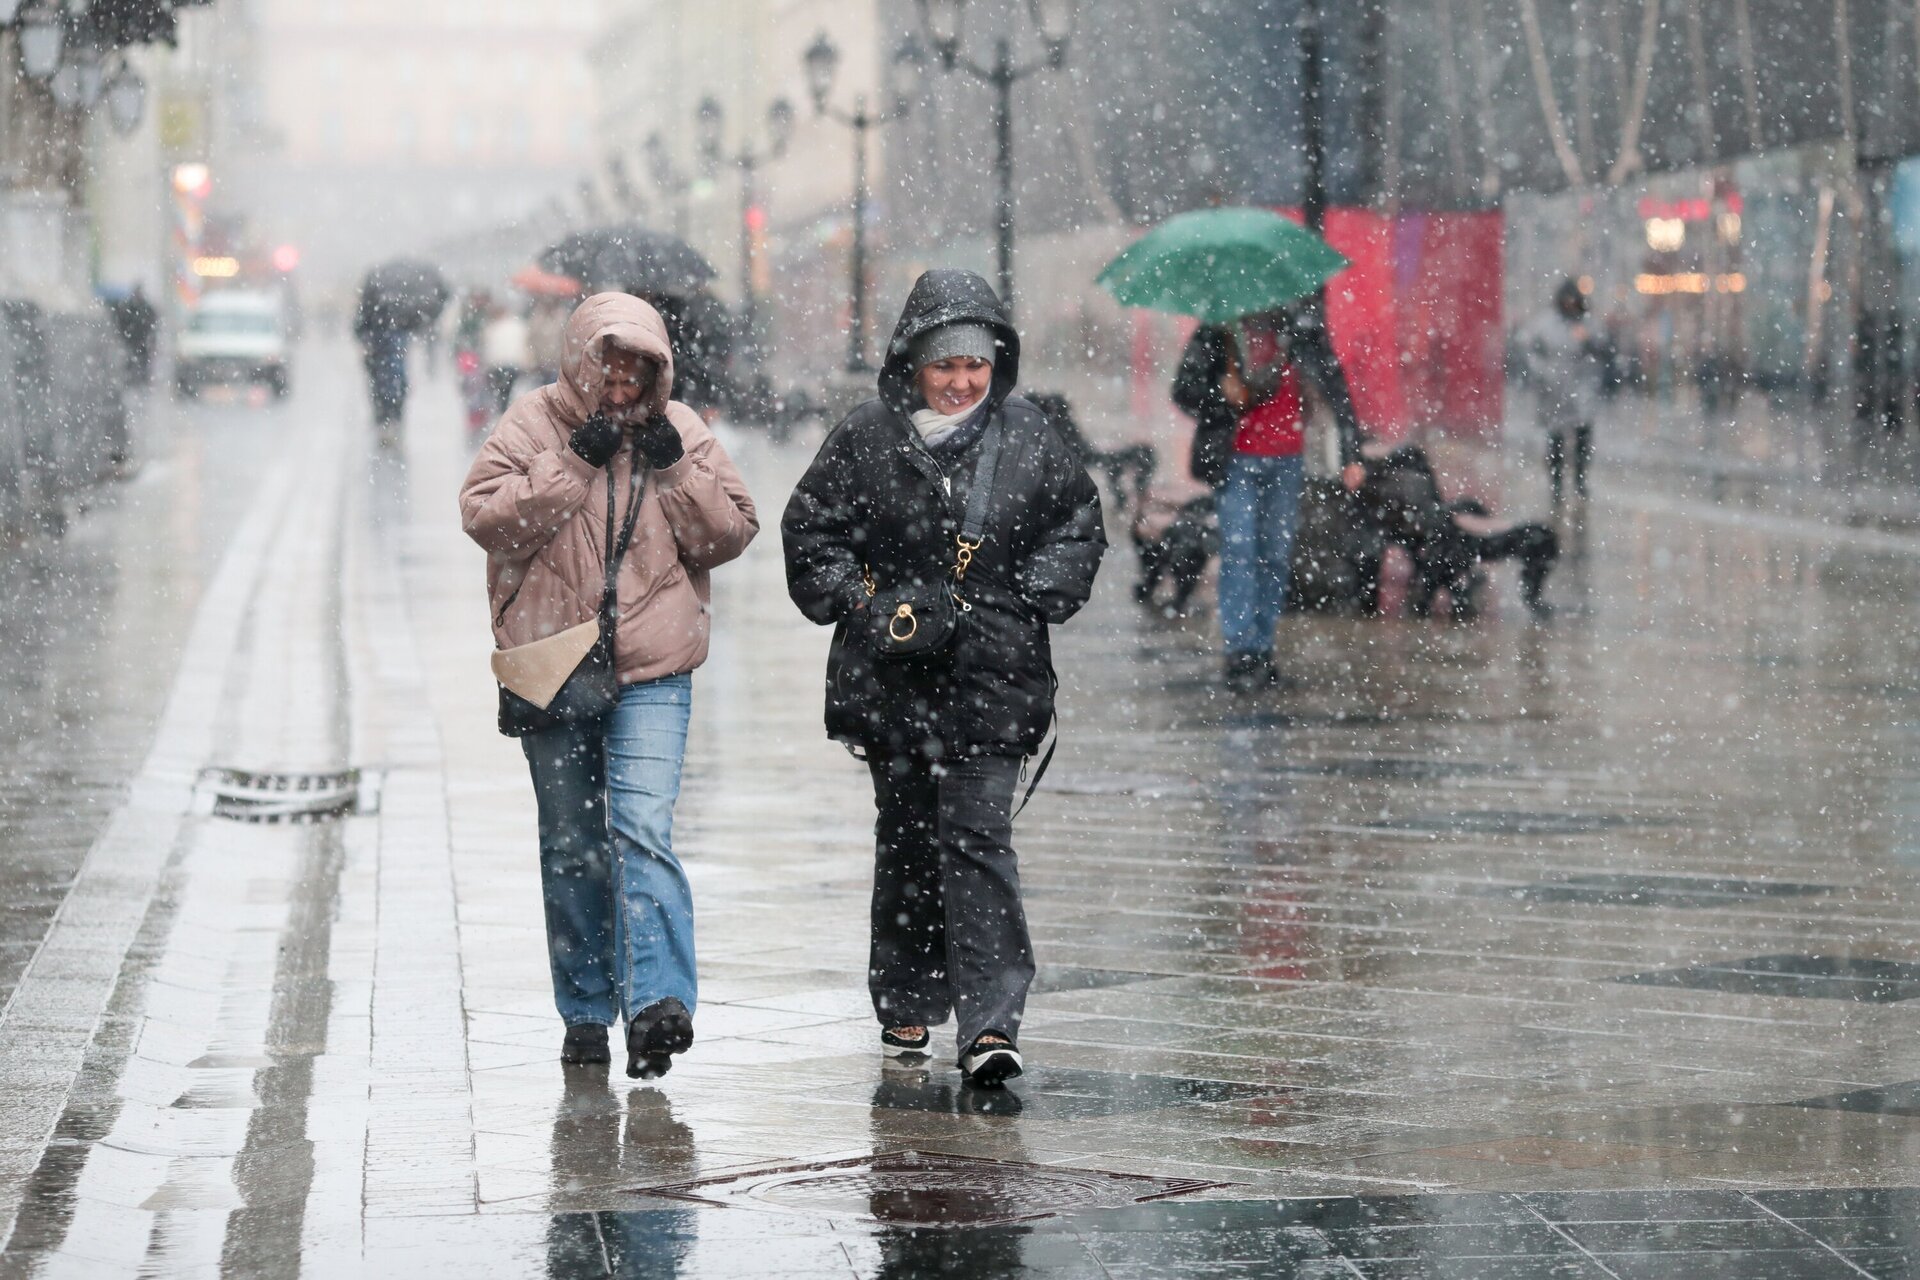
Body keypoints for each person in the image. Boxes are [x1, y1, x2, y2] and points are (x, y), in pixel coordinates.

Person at [782, 269, 1105, 1088]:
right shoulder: (866, 438)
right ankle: (907, 993)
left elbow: (1078, 524)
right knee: (908, 839)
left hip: (996, 680)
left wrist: (1035, 591)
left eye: (977, 364)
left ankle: (992, 1022)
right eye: (944, 366)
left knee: (979, 839)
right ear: (912, 365)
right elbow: (810, 531)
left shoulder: (1032, 434)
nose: (962, 382)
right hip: (897, 683)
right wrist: (864, 602)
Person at [459, 293, 758, 1078]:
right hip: (555, 663)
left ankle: (659, 1004)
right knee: (572, 847)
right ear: (581, 361)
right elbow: (486, 519)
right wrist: (574, 462)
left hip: (654, 666)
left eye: (638, 371)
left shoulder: (682, 430)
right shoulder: (532, 425)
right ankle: (587, 1010)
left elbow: (730, 533)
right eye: (609, 367)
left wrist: (674, 467)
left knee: (641, 829)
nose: (621, 386)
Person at [1171, 306, 1362, 692]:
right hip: (1236, 458)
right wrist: (1221, 396)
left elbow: (1334, 382)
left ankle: (1262, 649)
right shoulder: (1219, 329)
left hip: (1287, 460)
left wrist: (1351, 450)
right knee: (1241, 549)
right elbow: (1183, 390)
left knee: (1274, 553)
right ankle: (1240, 652)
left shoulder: (1301, 328)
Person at [1519, 278, 1606, 510]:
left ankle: (1579, 481)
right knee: (1555, 441)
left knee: (1582, 440)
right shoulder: (1546, 325)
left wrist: (1588, 343)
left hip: (1582, 392)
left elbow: (1602, 350)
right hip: (1554, 392)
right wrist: (1543, 374)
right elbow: (1531, 351)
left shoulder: (1588, 325)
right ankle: (1557, 483)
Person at [481, 303, 532, 417]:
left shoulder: (494, 326)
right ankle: (505, 411)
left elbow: (488, 345)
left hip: (499, 364)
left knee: (501, 392)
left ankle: (502, 412)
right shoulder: (518, 325)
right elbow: (525, 345)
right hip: (512, 364)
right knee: (507, 390)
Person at [112, 284, 158, 386]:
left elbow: (152, 324)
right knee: (134, 365)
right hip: (134, 342)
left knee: (139, 366)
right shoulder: (131, 308)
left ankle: (138, 384)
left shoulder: (140, 308)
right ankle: (134, 384)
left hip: (139, 342)